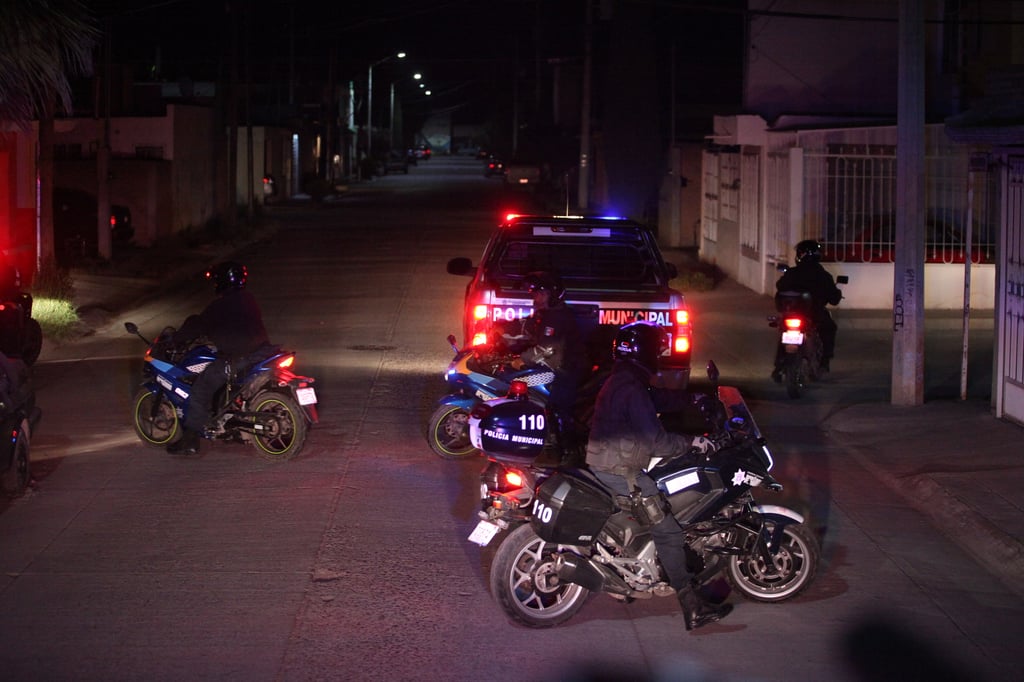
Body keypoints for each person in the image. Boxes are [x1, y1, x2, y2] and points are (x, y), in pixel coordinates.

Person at [585, 320, 732, 631]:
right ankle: (692, 608)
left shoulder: (625, 380)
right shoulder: (631, 386)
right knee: (669, 532)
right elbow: (657, 441)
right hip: (621, 471)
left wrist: (693, 397)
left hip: (606, 462)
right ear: (646, 351)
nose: (661, 353)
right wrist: (693, 442)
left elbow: (656, 399)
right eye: (657, 348)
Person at [167, 261, 270, 455]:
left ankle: (190, 440)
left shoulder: (219, 305)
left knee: (201, 388)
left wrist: (176, 338)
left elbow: (197, 325)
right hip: (262, 352)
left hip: (239, 359)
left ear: (221, 281)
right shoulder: (248, 298)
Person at [503, 272, 587, 457]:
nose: (536, 298)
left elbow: (546, 349)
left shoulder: (558, 317)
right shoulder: (546, 314)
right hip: (555, 364)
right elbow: (528, 327)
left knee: (556, 408)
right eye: (534, 294)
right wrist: (501, 329)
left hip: (565, 369)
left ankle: (566, 449)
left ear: (553, 295)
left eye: (540, 294)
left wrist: (521, 359)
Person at [773, 239, 843, 378]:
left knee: (783, 332)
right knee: (829, 328)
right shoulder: (823, 276)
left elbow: (780, 286)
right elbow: (834, 298)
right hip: (814, 315)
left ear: (801, 255)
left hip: (791, 314)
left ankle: (779, 366)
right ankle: (824, 362)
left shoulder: (792, 273)